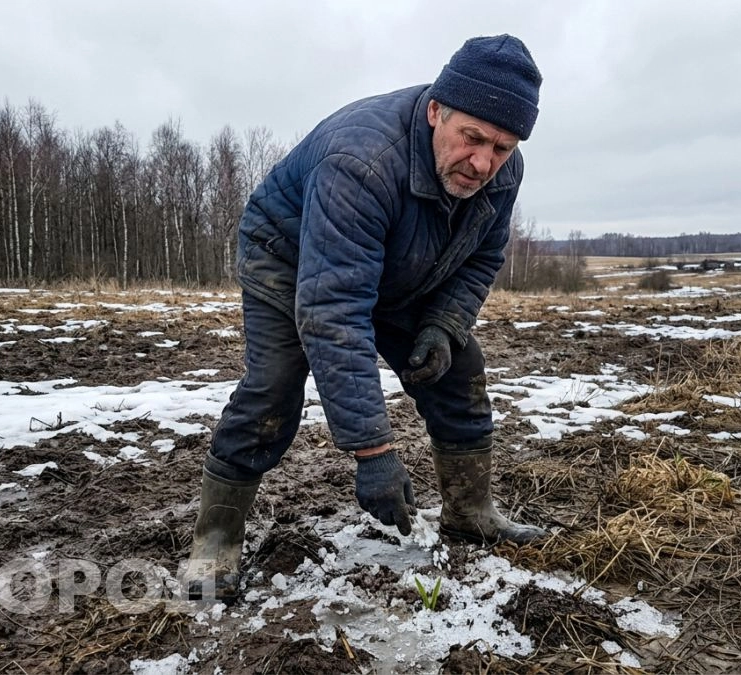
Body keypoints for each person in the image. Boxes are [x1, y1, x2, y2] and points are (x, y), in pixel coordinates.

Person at [186, 34, 547, 600]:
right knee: (272, 388)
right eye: (471, 138)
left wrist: (445, 323)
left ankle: (470, 512)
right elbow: (333, 311)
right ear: (436, 111)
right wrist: (372, 451)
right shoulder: (361, 162)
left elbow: (483, 256)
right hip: (288, 255)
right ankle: (215, 544)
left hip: (397, 266)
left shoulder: (504, 169)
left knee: (457, 367)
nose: (483, 163)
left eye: (501, 147)